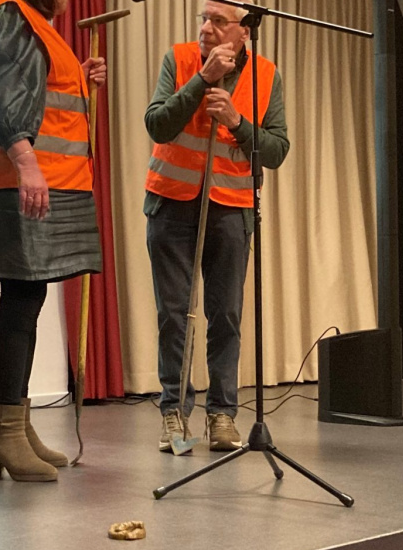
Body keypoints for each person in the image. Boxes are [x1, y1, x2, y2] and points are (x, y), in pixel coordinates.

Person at [144, 0, 290, 453]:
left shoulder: (266, 75)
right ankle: (174, 412)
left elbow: (277, 150)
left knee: (225, 315)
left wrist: (237, 122)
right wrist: (201, 81)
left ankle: (222, 414)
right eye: (203, 19)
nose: (206, 28)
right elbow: (158, 125)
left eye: (218, 21)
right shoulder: (179, 59)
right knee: (174, 315)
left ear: (244, 31)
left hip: (231, 209)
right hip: (172, 203)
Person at [0, 0, 106, 482]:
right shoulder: (11, 16)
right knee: (20, 299)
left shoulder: (36, 25)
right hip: (19, 181)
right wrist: (26, 163)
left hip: (50, 180)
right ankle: (5, 433)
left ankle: (15, 427)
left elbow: (35, 91)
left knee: (27, 300)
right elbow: (2, 97)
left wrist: (78, 80)